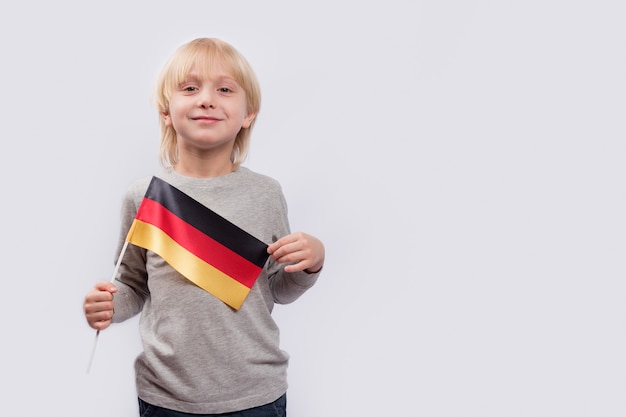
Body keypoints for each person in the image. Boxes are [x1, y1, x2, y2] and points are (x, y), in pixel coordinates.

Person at [83, 37, 325, 417]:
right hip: (166, 397)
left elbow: (277, 288)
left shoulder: (265, 194)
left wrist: (311, 262)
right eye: (190, 88)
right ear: (167, 111)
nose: (207, 99)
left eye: (225, 89)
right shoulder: (145, 196)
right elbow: (132, 283)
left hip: (255, 394)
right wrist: (110, 305)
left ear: (248, 114)